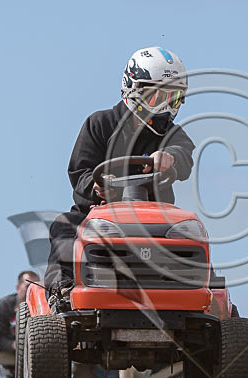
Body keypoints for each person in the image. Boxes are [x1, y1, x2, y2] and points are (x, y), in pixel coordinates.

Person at [45, 46, 196, 308]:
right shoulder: (100, 123)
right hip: (100, 215)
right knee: (64, 225)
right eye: (156, 97)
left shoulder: (171, 134)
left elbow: (185, 155)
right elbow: (79, 172)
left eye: (173, 98)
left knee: (191, 230)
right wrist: (97, 187)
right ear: (133, 90)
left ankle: (201, 292)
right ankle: (63, 290)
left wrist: (170, 156)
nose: (164, 106)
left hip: (155, 216)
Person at [0, 270, 39, 378]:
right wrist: (12, 345)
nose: (31, 291)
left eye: (36, 287)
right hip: (9, 367)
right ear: (18, 287)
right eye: (28, 286)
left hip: (38, 368)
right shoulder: (4, 306)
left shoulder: (43, 307)